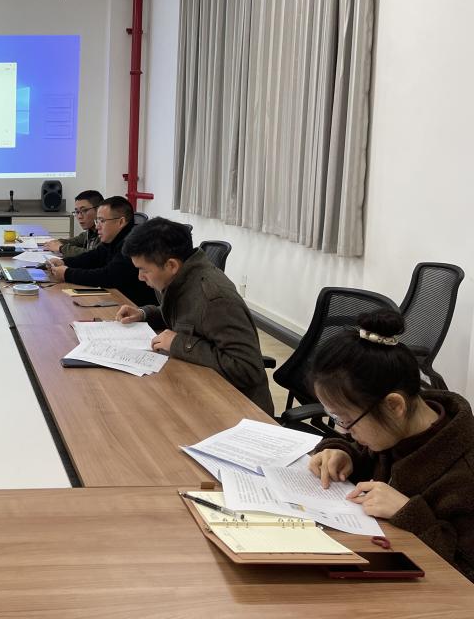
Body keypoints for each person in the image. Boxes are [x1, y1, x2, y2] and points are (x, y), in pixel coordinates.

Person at [308, 310, 474, 581]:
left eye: (347, 420)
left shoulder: (464, 474)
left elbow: (466, 574)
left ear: (394, 405)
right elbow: (364, 450)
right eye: (336, 419)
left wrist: (409, 513)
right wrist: (342, 452)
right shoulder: (396, 429)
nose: (345, 430)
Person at [115, 217, 273, 414]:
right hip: (200, 387)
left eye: (143, 270)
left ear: (171, 265)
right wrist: (143, 313)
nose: (140, 277)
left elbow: (247, 368)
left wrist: (178, 343)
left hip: (237, 408)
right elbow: (186, 318)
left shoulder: (214, 299)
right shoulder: (179, 279)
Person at [44, 196, 154, 306]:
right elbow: (94, 257)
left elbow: (108, 276)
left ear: (121, 222)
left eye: (102, 221)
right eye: (97, 221)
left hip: (135, 307)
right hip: (119, 300)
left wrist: (67, 274)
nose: (97, 227)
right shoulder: (113, 239)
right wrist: (64, 262)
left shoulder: (133, 243)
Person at [43, 190, 102, 257]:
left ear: (99, 210)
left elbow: (94, 255)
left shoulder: (105, 233)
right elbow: (77, 240)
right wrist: (57, 242)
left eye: (84, 210)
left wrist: (61, 248)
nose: (79, 216)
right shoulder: (91, 231)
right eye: (77, 212)